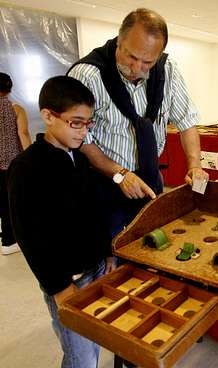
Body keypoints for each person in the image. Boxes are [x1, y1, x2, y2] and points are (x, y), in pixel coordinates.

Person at [67, 8, 209, 238]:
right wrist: (120, 174)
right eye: (131, 57)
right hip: (105, 182)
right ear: (119, 42)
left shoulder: (167, 70)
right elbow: (82, 140)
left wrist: (195, 164)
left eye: (147, 62)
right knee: (115, 254)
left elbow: (187, 120)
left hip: (151, 177)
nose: (136, 68)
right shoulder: (88, 75)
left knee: (154, 241)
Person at [7, 76, 113, 368]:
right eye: (76, 122)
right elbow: (30, 235)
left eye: (88, 123)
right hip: (67, 282)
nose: (83, 131)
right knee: (81, 358)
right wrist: (59, 287)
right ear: (48, 116)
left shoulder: (79, 160)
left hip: (95, 269)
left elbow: (96, 211)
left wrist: (106, 252)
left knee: (93, 343)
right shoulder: (27, 168)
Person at [0, 72, 32, 255]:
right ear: (9, 87)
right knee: (11, 203)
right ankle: (9, 242)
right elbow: (23, 134)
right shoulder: (16, 109)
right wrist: (29, 160)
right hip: (10, 164)